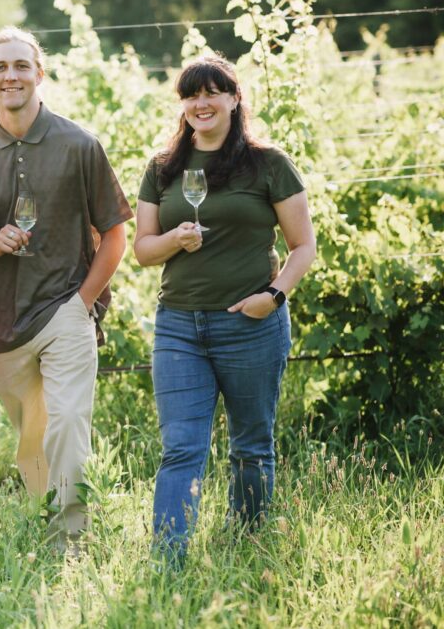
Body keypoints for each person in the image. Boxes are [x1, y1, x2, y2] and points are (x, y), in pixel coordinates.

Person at [0, 27, 132, 547]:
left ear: (39, 73)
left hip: (66, 308)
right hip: (2, 322)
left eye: (20, 65)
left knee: (67, 421)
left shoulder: (79, 145)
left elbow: (116, 234)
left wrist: (83, 303)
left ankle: (69, 540)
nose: (11, 75)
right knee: (32, 440)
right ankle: (45, 518)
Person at [132, 55, 316, 562]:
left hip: (250, 324)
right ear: (183, 106)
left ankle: (249, 544)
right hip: (179, 328)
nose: (202, 102)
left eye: (213, 92)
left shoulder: (267, 163)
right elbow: (143, 251)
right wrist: (174, 239)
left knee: (251, 448)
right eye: (192, 95)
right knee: (182, 448)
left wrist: (272, 297)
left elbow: (303, 245)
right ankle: (168, 560)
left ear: (235, 98)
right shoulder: (163, 168)